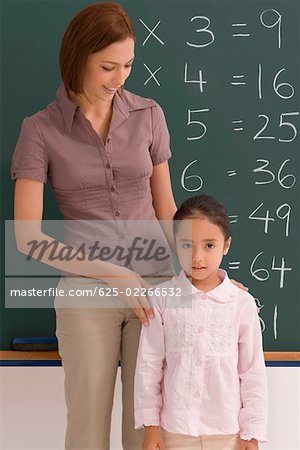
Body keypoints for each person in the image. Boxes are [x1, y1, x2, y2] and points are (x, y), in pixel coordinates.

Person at [11, 3, 247, 449]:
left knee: (147, 425)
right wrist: (114, 273)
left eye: (128, 65)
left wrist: (204, 275)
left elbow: (166, 210)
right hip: (86, 289)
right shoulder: (39, 130)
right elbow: (28, 238)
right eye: (107, 67)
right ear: (77, 57)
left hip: (156, 286)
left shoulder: (149, 115)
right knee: (87, 423)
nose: (120, 78)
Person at [134, 194, 268, 450]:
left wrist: (252, 434)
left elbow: (252, 373)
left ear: (225, 245)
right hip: (174, 431)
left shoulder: (241, 303)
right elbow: (149, 367)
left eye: (209, 245)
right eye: (186, 245)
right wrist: (151, 429)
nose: (197, 257)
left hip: (228, 433)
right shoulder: (161, 299)